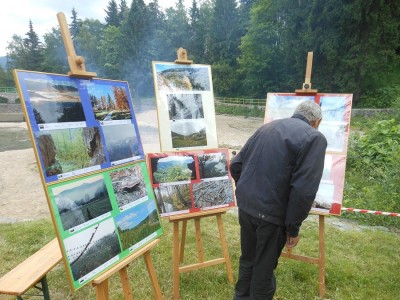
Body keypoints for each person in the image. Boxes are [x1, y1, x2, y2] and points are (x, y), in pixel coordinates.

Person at [230, 100, 327, 300]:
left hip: (247, 207)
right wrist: (293, 228)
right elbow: (304, 190)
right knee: (263, 269)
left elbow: (236, 165)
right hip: (271, 215)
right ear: (317, 121)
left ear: (296, 113)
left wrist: (247, 191)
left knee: (248, 259)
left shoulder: (267, 127)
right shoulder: (314, 138)